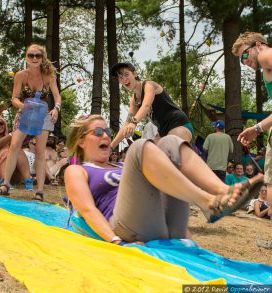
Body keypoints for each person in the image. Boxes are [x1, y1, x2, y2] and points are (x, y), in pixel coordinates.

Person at [64, 115, 262, 245]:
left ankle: (222, 191)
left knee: (170, 142)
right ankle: (207, 202)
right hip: (127, 228)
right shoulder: (77, 170)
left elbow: (165, 190)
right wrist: (116, 242)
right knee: (139, 147)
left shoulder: (122, 166)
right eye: (98, 132)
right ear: (81, 141)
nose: (105, 136)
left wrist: (189, 241)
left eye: (107, 132)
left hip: (162, 225)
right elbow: (87, 210)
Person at [0, 44, 61, 200]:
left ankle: (40, 191)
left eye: (38, 55)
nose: (34, 58)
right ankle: (5, 184)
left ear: (42, 57)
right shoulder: (21, 75)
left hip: (43, 115)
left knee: (40, 151)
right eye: (31, 55)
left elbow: (57, 97)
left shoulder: (49, 76)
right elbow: (14, 98)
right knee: (15, 145)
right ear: (26, 58)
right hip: (24, 113)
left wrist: (56, 109)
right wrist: (25, 107)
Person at [110, 62, 193, 149]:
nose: (124, 79)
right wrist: (111, 148)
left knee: (168, 153)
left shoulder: (149, 85)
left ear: (135, 73)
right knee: (148, 156)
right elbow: (126, 125)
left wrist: (133, 123)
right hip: (163, 131)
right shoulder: (134, 100)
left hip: (179, 124)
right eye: (120, 77)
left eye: (126, 74)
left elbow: (146, 106)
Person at [232, 32, 272, 212]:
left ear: (257, 45)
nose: (245, 62)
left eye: (245, 55)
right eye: (241, 60)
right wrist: (257, 128)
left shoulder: (265, 55)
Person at [0, 116, 32, 191]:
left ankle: (28, 180)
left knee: (17, 150)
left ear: (5, 125)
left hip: (13, 171)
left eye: (1, 123)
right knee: (6, 152)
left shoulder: (12, 136)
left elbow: (24, 141)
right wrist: (11, 135)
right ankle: (4, 181)